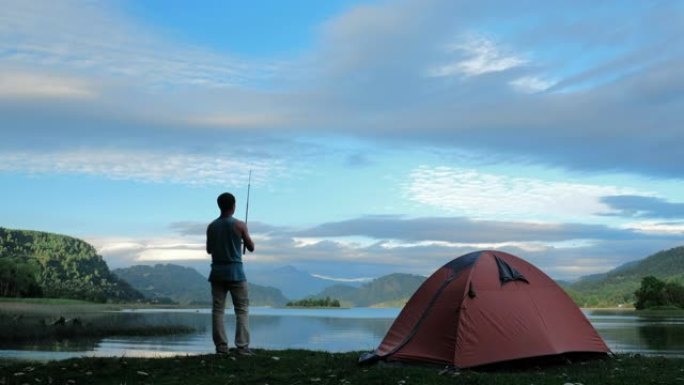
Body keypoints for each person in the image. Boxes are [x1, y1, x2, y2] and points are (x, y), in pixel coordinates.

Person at [206, 192, 255, 356]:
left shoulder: (211, 226)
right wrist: (241, 240)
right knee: (241, 310)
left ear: (219, 206)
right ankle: (242, 347)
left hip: (217, 273)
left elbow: (209, 250)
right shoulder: (240, 225)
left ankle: (221, 348)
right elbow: (251, 247)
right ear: (234, 206)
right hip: (236, 273)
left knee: (218, 311)